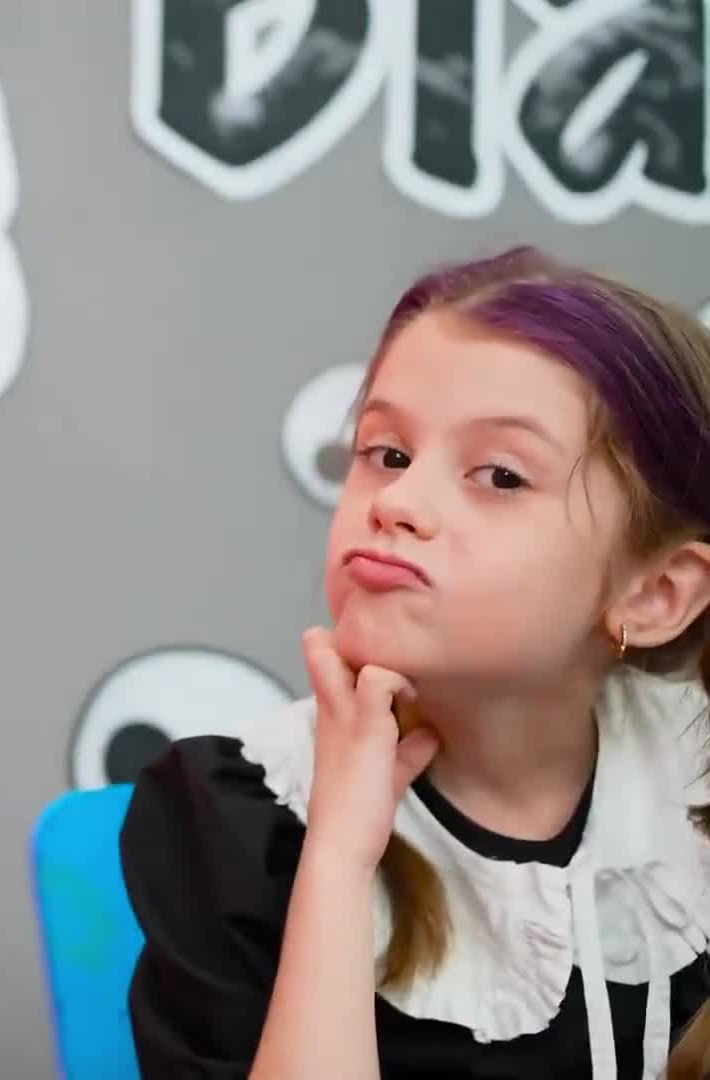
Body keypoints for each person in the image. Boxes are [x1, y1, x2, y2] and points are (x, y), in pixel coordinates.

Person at [118, 246, 710, 1079]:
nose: (396, 503)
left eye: (499, 475)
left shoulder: (692, 774)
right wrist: (338, 860)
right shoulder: (233, 817)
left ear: (653, 594)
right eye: (386, 454)